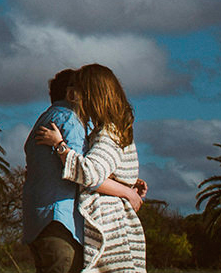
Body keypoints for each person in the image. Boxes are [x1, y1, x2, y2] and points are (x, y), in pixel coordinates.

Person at [39, 63, 147, 273]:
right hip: (113, 219)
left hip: (110, 222)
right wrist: (128, 186)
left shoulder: (109, 133)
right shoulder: (112, 129)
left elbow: (90, 173)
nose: (74, 99)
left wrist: (60, 146)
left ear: (93, 95)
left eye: (78, 92)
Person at [24, 68, 88, 273]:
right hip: (60, 221)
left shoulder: (44, 119)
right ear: (74, 93)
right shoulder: (70, 121)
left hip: (37, 220)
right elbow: (81, 171)